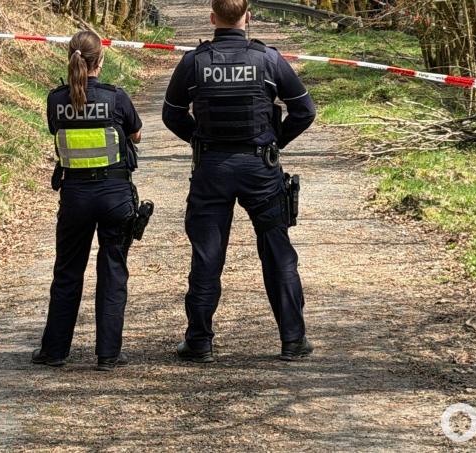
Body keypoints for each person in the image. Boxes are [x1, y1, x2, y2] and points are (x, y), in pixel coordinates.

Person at [162, 0, 317, 362]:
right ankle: (293, 340)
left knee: (207, 257)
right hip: (260, 169)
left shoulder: (194, 62)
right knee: (278, 252)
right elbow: (304, 110)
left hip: (212, 169)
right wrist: (275, 140)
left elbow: (171, 115)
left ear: (213, 18)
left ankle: (199, 342)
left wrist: (199, 139)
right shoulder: (268, 60)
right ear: (247, 17)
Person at [32, 30, 143, 372]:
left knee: (67, 272)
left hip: (75, 197)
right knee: (112, 272)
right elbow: (136, 134)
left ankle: (54, 351)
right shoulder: (116, 98)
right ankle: (108, 354)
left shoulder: (55, 101)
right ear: (101, 60)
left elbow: (57, 129)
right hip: (114, 197)